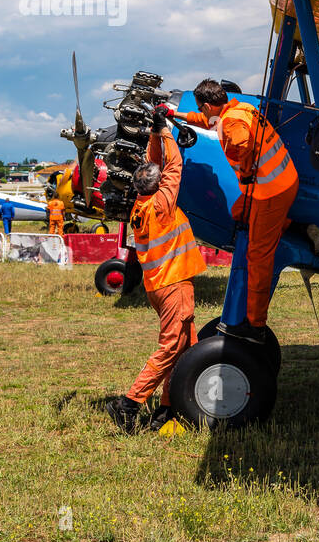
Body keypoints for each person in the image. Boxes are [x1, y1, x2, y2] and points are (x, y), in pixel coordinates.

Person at [169, 80, 298, 341]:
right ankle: (291, 225)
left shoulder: (231, 122)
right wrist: (175, 114)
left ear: (207, 105)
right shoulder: (235, 109)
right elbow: (206, 121)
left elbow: (243, 141)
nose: (202, 113)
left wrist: (248, 169)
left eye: (200, 109)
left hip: (270, 192)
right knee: (238, 213)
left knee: (258, 257)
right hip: (282, 181)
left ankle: (255, 327)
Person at [105, 108, 207, 433]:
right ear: (157, 184)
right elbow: (174, 165)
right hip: (173, 283)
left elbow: (157, 168)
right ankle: (129, 404)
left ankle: (168, 409)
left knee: (188, 348)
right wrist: (164, 131)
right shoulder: (162, 205)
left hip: (160, 285)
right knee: (170, 348)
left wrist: (153, 131)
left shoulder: (143, 204)